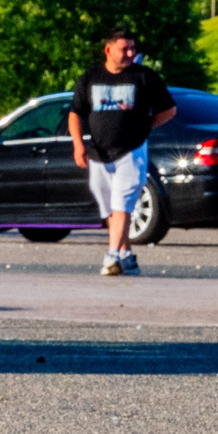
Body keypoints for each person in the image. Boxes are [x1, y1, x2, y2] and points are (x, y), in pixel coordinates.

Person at [68, 27, 176, 276]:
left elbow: (169, 110)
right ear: (108, 50)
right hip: (98, 153)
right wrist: (78, 145)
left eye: (132, 48)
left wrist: (145, 126)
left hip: (131, 150)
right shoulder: (91, 77)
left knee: (123, 202)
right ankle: (126, 255)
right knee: (110, 207)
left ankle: (112, 255)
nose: (130, 53)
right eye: (123, 49)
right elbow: (76, 112)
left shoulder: (144, 77)